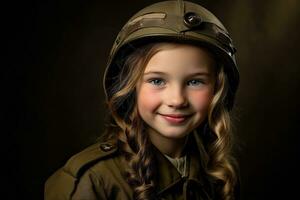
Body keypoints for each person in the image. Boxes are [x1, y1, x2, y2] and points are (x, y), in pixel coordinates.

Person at [45, 0, 240, 199]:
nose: (177, 100)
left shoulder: (217, 173)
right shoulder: (92, 181)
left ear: (218, 89)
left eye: (195, 82)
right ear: (130, 86)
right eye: (157, 80)